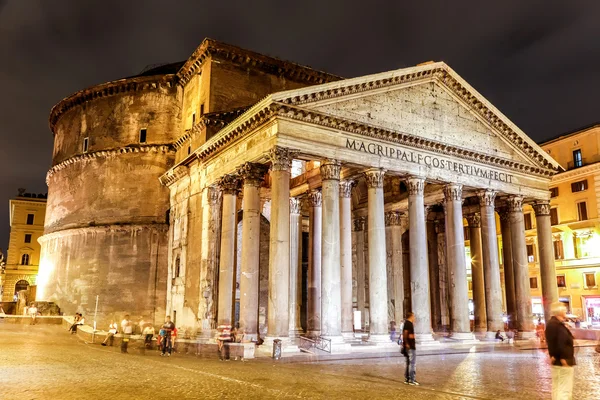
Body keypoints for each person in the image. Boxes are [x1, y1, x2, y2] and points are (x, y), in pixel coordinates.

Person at [545, 302, 575, 400]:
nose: (565, 311)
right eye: (564, 310)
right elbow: (560, 343)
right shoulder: (556, 325)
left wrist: (552, 355)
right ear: (560, 311)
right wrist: (562, 358)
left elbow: (553, 342)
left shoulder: (553, 324)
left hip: (558, 360)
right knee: (564, 389)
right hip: (563, 361)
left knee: (558, 387)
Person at [402, 312, 418, 386]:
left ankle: (407, 379)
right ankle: (412, 380)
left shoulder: (408, 323)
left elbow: (409, 335)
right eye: (413, 316)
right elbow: (405, 334)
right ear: (411, 316)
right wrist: (407, 344)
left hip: (409, 346)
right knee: (412, 363)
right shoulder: (408, 323)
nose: (414, 318)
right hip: (410, 347)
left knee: (409, 363)